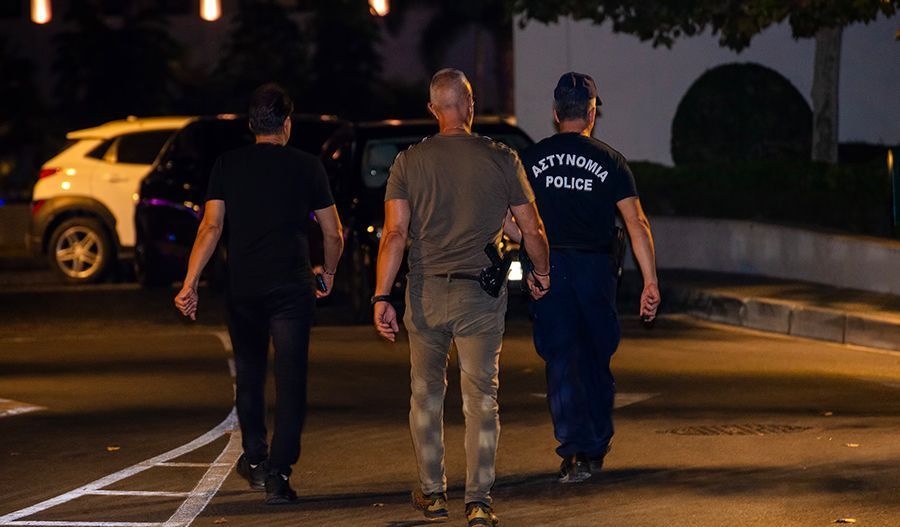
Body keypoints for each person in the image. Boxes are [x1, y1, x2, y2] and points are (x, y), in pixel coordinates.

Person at [373, 68, 550, 527]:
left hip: (426, 291)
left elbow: (394, 234)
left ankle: (433, 494)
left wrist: (380, 296)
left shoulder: (408, 162)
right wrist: (542, 272)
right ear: (470, 104)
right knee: (482, 399)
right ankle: (479, 501)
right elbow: (531, 228)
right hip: (480, 296)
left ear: (433, 109)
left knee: (425, 395)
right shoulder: (501, 158)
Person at [174, 83, 343, 504]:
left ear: (252, 125)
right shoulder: (308, 167)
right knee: (291, 380)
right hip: (291, 286)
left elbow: (210, 227)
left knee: (249, 374)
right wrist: (329, 272)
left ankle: (254, 455)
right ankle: (279, 472)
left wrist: (190, 281)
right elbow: (333, 231)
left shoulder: (227, 165)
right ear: (287, 124)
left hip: (244, 287)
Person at [516, 72, 660, 483]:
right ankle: (595, 444)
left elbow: (510, 221)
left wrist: (530, 247)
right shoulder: (611, 160)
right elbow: (637, 222)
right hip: (597, 270)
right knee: (597, 357)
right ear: (592, 111)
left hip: (551, 265)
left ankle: (575, 450)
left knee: (562, 359)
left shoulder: (531, 159)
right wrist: (650, 281)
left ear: (555, 112)